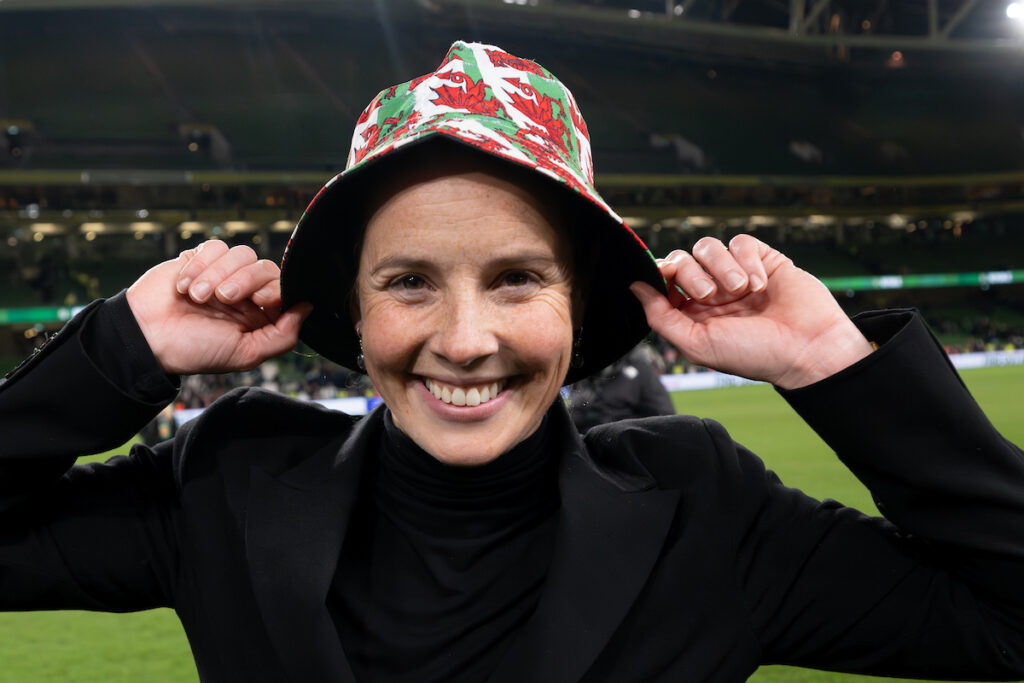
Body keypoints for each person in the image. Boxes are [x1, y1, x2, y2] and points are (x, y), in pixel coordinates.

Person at [2, 41, 1024, 683]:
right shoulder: (229, 477)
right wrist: (116, 354)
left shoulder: (706, 508)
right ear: (353, 310)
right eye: (407, 281)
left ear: (576, 304)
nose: (463, 337)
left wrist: (830, 361)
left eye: (516, 278)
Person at [567, 342, 676, 433]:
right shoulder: (580, 372)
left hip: (623, 451)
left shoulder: (640, 371)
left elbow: (666, 419)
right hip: (586, 450)